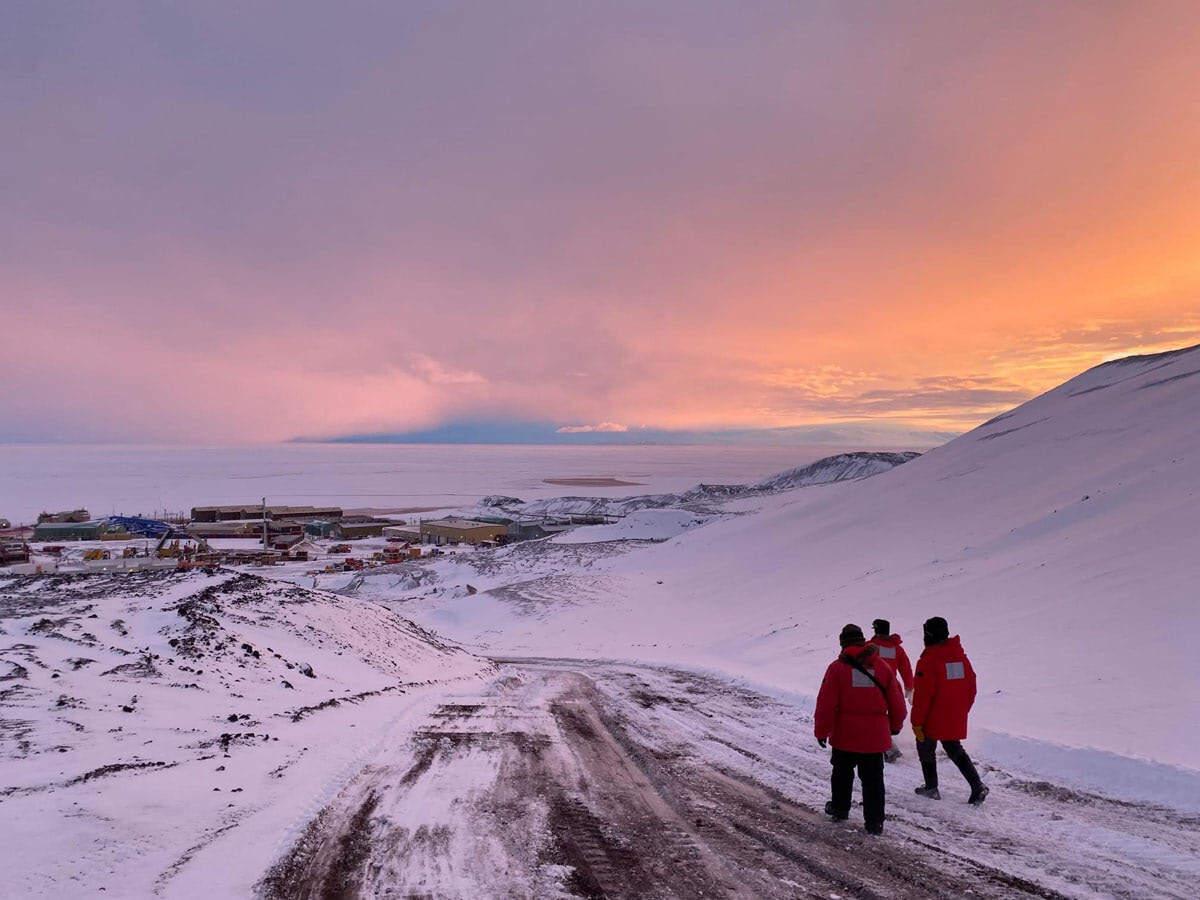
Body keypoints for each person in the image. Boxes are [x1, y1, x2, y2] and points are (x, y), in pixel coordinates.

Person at [814, 623, 907, 835]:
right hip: (875, 737)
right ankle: (875, 822)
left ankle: (840, 809)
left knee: (842, 774)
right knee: (873, 780)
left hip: (845, 735)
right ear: (863, 641)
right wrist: (894, 726)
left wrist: (821, 730)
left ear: (843, 644)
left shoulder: (837, 669)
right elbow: (897, 703)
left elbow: (826, 704)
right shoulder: (882, 667)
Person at [911, 616, 989, 805]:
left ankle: (931, 787)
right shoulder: (960, 657)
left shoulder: (929, 660)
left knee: (925, 745)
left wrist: (917, 722)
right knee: (953, 746)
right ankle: (977, 785)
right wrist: (962, 709)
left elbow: (922, 696)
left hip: (932, 715)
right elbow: (971, 686)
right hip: (954, 713)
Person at [868, 618, 914, 763]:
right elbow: (906, 668)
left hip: (873, 686)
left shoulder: (870, 646)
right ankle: (888, 742)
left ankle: (888, 747)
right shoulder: (897, 649)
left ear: (876, 630)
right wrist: (909, 686)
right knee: (892, 714)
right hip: (892, 686)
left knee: (874, 715)